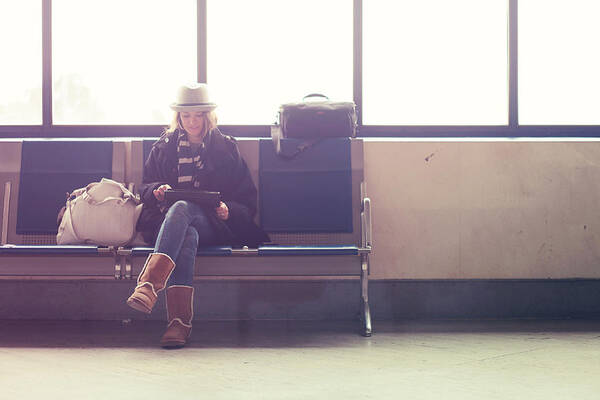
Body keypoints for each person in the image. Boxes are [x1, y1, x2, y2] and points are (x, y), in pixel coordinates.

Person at [126, 83, 270, 348]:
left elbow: (247, 200)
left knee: (182, 207)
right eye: (186, 116)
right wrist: (156, 191)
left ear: (208, 116)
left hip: (213, 224)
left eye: (198, 115)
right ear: (178, 118)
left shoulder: (226, 149)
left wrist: (228, 211)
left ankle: (149, 285)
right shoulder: (163, 147)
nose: (192, 122)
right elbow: (145, 186)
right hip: (170, 224)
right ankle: (178, 324)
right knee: (186, 232)